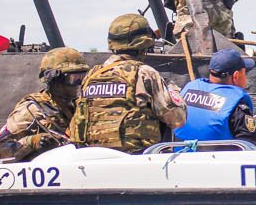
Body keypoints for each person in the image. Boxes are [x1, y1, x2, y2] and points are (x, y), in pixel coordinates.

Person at [69, 13, 186, 153]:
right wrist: (173, 91)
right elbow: (177, 119)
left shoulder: (92, 75)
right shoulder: (144, 73)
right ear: (144, 44)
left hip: (91, 158)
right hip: (135, 159)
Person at [0, 47, 89, 161]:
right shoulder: (32, 110)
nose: (78, 84)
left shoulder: (77, 107)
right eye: (73, 79)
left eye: (82, 77)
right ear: (54, 78)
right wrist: (32, 142)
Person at [176, 48, 256, 148]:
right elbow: (250, 148)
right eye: (245, 72)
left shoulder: (188, 90)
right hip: (218, 158)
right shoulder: (237, 107)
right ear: (236, 76)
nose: (246, 77)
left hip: (179, 156)